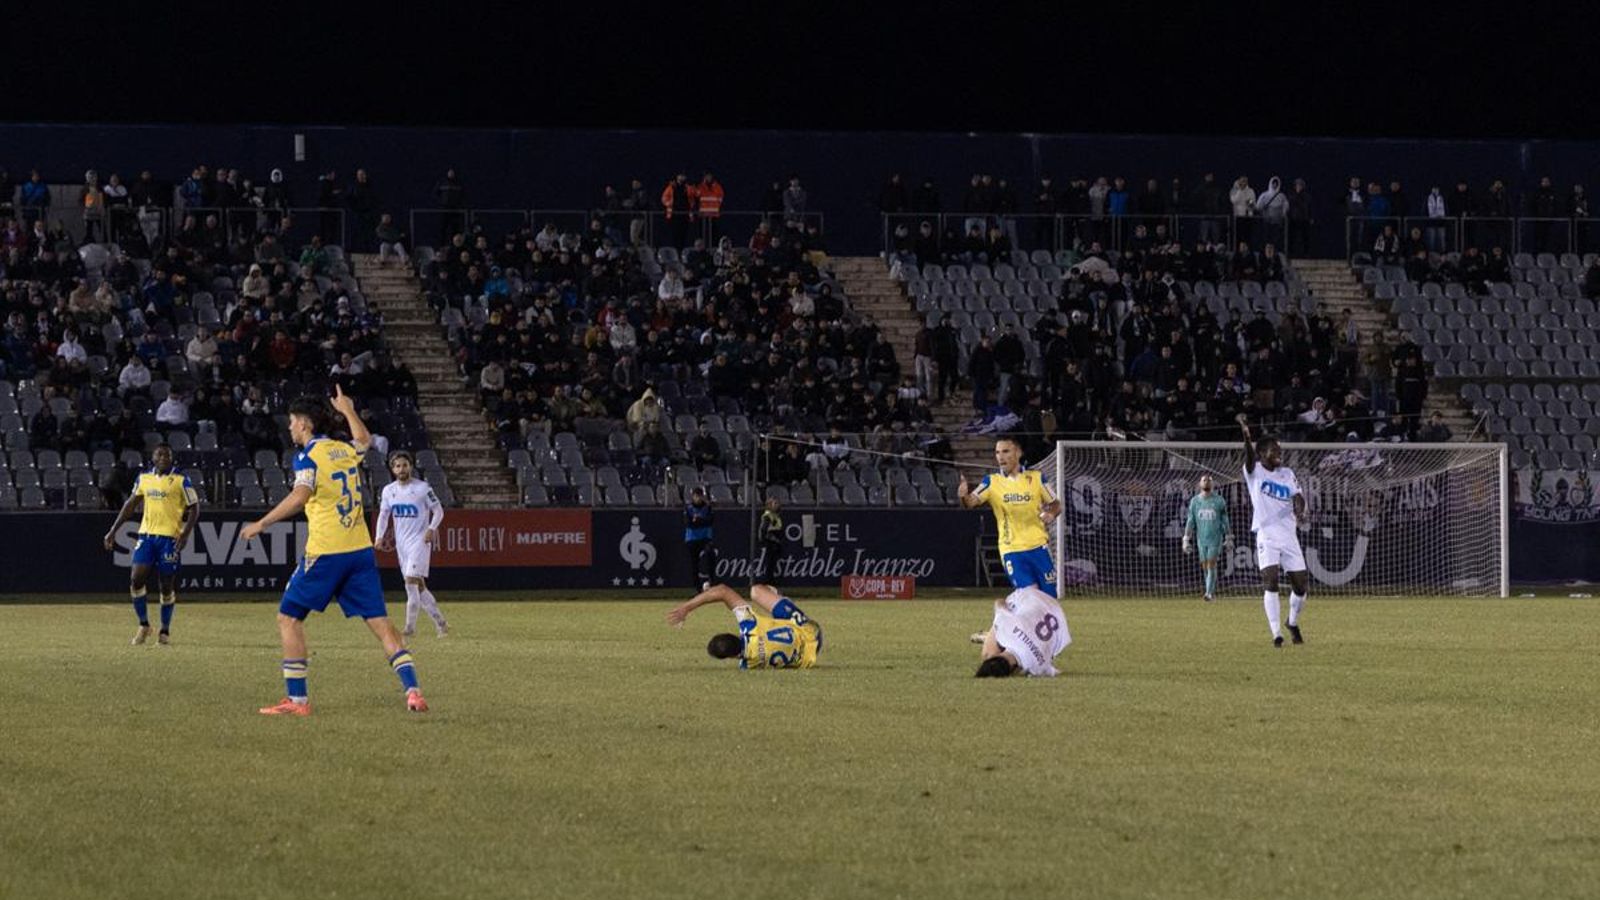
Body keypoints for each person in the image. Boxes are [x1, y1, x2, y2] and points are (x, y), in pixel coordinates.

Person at [241, 385, 428, 715]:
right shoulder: (342, 450)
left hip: (326, 552)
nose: (289, 428)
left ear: (304, 423)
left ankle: (297, 701)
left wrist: (262, 523)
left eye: (292, 422)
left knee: (288, 618)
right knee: (381, 623)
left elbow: (300, 496)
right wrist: (349, 410)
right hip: (359, 551)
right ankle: (413, 691)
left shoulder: (307, 456)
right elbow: (365, 442)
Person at [101, 444, 200, 646]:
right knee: (136, 579)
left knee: (166, 585)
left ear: (172, 459)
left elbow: (195, 508)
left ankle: (164, 631)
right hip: (146, 536)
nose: (164, 457)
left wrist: (185, 533)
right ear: (153, 458)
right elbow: (130, 504)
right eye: (160, 454)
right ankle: (144, 625)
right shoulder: (144, 478)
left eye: (168, 455)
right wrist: (113, 529)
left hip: (169, 539)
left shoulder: (181, 480)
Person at [1237, 414, 1308, 648]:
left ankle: (1292, 622)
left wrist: (1300, 509)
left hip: (1289, 535)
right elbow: (1248, 457)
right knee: (1271, 581)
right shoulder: (1254, 471)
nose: (1279, 453)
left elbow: (1298, 496)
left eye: (1280, 450)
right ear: (1262, 454)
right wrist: (1247, 436)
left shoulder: (1287, 474)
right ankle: (1276, 633)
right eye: (1274, 450)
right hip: (1266, 535)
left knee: (1300, 586)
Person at [374, 451, 448, 640]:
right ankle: (441, 623)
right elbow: (383, 515)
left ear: (411, 466)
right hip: (402, 545)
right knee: (419, 586)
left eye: (405, 465)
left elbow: (438, 510)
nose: (401, 469)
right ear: (392, 469)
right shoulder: (389, 491)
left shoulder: (422, 488)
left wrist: (431, 528)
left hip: (420, 541)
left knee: (410, 583)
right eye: (397, 466)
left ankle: (409, 628)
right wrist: (379, 536)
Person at [665, 583, 822, 670]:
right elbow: (723, 591)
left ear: (731, 657)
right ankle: (780, 597)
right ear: (734, 634)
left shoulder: (749, 664)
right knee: (756, 591)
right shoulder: (749, 623)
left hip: (809, 655)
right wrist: (687, 607)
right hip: (811, 632)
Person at [974, 586, 1071, 678]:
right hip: (1037, 598)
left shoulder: (1037, 668)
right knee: (989, 652)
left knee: (988, 653)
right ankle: (993, 638)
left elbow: (1053, 671)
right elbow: (999, 602)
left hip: (1060, 626)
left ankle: (991, 638)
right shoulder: (1007, 625)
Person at [1182, 474, 1233, 603]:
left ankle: (1208, 593)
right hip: (1201, 539)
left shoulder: (1219, 501)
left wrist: (1228, 537)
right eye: (1204, 480)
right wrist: (1186, 539)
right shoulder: (1194, 501)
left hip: (1215, 538)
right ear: (1200, 484)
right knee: (1205, 566)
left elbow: (1225, 520)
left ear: (1212, 484)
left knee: (1211, 565)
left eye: (1209, 480)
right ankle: (1210, 591)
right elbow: (1190, 521)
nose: (1207, 482)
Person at [684, 487, 716, 591]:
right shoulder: (688, 508)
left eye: (700, 496)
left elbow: (710, 521)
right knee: (694, 564)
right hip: (692, 539)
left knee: (710, 555)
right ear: (693, 497)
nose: (698, 498)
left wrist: (698, 520)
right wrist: (699, 521)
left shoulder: (707, 507)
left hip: (705, 538)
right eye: (696, 496)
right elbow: (688, 523)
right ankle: (697, 588)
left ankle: (711, 582)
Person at [757, 497, 785, 583]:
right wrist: (771, 540)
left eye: (778, 503)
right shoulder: (768, 516)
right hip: (771, 542)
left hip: (776, 542)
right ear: (770, 505)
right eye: (775, 503)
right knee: (769, 563)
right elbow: (764, 530)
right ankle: (768, 581)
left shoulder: (776, 515)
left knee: (773, 563)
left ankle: (771, 581)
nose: (777, 505)